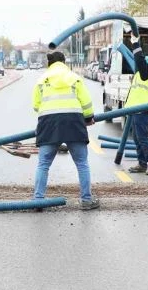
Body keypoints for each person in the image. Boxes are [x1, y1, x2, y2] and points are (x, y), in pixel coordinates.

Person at [32, 51, 98, 210]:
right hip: (73, 122)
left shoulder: (42, 80)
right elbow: (87, 103)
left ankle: (38, 201)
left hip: (49, 123)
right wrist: (88, 119)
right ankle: (86, 200)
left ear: (50, 64)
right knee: (82, 163)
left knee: (43, 164)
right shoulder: (74, 78)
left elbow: (36, 106)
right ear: (64, 62)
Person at [126, 34, 148, 175]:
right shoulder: (141, 75)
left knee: (142, 138)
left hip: (142, 110)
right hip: (135, 110)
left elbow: (139, 59)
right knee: (137, 138)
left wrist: (135, 43)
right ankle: (142, 163)